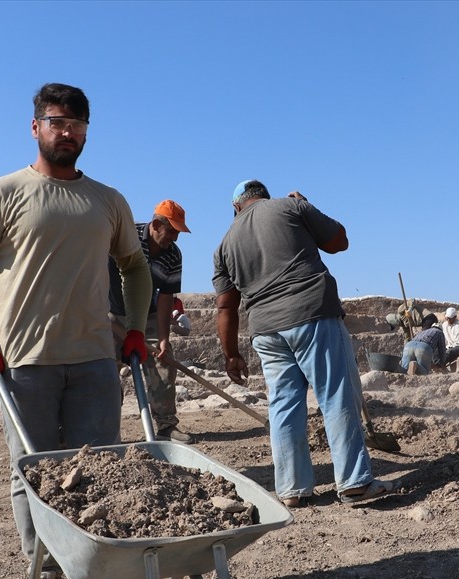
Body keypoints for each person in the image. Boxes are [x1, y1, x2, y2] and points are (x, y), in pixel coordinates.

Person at [0, 82, 153, 579]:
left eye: (78, 124)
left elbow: (134, 267)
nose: (68, 133)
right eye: (57, 122)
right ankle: (49, 571)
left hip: (92, 361)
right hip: (23, 362)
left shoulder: (108, 201)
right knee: (32, 473)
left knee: (102, 471)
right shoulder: (3, 192)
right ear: (35, 127)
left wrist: (134, 328)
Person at [213, 180, 394, 508]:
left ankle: (293, 490)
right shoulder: (290, 206)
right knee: (335, 394)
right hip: (311, 314)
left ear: (236, 208)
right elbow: (339, 241)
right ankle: (354, 483)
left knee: (283, 406)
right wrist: (308, 206)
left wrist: (231, 355)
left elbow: (225, 306)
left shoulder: (224, 244)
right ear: (263, 198)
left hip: (266, 331)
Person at [108, 199, 195, 443]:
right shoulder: (126, 235)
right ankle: (108, 431)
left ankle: (166, 426)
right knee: (106, 372)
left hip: (149, 314)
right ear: (156, 224)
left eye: (178, 233)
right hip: (112, 313)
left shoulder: (173, 255)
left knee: (163, 366)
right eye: (171, 232)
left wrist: (164, 339)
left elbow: (167, 298)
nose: (174, 239)